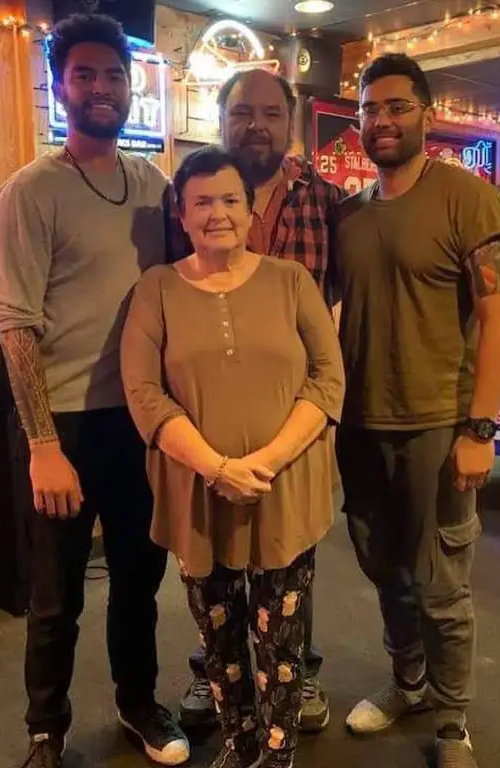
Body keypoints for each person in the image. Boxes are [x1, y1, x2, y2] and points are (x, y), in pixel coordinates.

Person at [0, 14, 189, 768]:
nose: (100, 88)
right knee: (56, 597)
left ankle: (138, 706)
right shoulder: (30, 191)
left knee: (139, 581)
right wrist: (42, 445)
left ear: (130, 87)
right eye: (84, 75)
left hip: (138, 421)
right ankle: (46, 731)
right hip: (61, 427)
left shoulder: (154, 185)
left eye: (113, 75)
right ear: (59, 86)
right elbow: (13, 324)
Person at [121, 145, 344, 768]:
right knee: (219, 641)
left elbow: (328, 381)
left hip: (286, 490)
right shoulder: (156, 289)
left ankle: (276, 756)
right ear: (181, 214)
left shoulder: (291, 282)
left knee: (282, 645)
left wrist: (266, 461)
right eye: (201, 202)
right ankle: (238, 745)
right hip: (198, 491)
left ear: (251, 211)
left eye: (229, 200)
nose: (216, 213)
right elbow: (144, 395)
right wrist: (217, 467)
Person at [334, 54, 500, 768]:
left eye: (396, 106)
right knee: (385, 569)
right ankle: (407, 681)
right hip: (360, 425)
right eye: (370, 110)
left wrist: (479, 427)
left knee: (443, 583)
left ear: (427, 112)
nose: (381, 121)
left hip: (440, 427)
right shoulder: (349, 214)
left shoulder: (466, 199)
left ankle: (451, 721)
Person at [166, 68, 343, 734]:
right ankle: (217, 674)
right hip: (207, 428)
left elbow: (339, 308)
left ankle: (298, 675)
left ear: (291, 122)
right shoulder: (181, 198)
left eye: (271, 113)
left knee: (288, 559)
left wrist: (321, 408)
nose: (256, 125)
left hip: (292, 421)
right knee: (212, 560)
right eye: (242, 112)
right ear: (222, 117)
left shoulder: (325, 200)